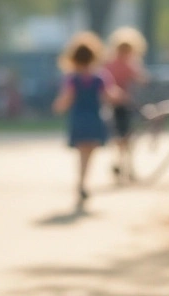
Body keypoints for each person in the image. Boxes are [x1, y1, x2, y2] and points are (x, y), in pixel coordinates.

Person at [52, 31, 124, 209]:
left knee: (82, 153)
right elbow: (109, 95)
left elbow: (66, 99)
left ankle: (81, 182)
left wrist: (58, 106)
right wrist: (122, 97)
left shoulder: (72, 79)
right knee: (89, 153)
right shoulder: (99, 77)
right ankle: (84, 182)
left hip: (78, 119)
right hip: (94, 118)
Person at [102, 26, 149, 183]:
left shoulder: (113, 63)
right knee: (124, 137)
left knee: (122, 138)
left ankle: (123, 166)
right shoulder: (125, 64)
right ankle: (125, 167)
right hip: (120, 105)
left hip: (122, 104)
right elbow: (142, 79)